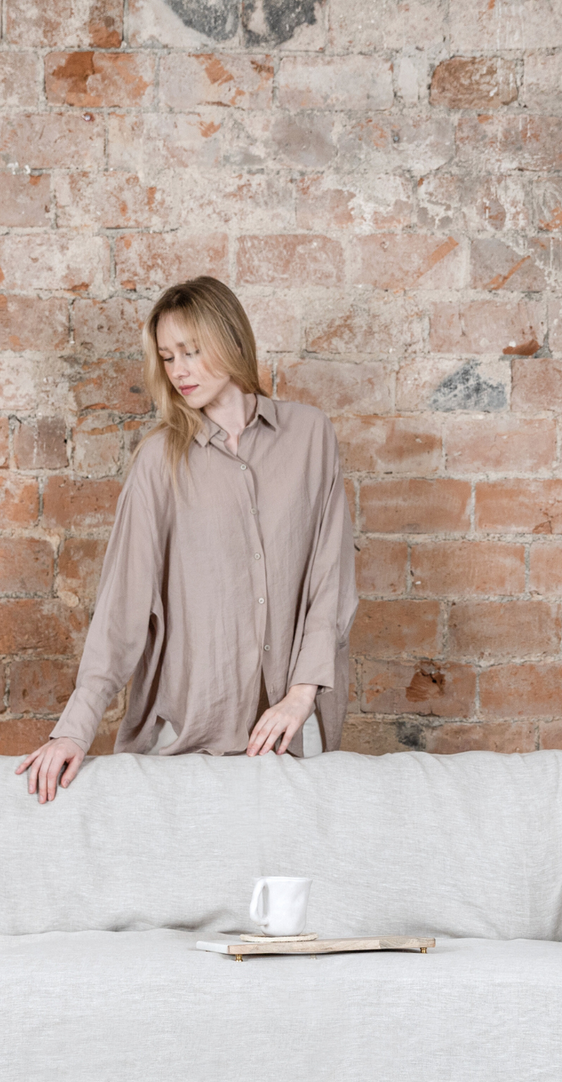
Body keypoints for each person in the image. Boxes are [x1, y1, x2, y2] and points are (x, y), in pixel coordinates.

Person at [18, 275, 357, 803]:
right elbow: (122, 607)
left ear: (233, 341)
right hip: (189, 731)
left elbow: (329, 581)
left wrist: (300, 697)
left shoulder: (312, 436)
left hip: (293, 730)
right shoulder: (160, 461)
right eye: (167, 357)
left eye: (192, 352)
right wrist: (74, 728)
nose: (179, 371)